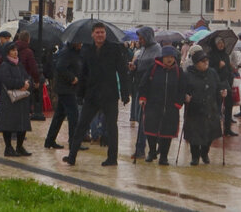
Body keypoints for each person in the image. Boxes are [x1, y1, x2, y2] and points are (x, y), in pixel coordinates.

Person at [64, 23, 131, 167]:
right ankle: (72, 156)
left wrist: (125, 93)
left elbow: (122, 72)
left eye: (102, 32)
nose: (100, 35)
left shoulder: (114, 48)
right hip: (92, 94)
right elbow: (83, 73)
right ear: (92, 34)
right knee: (81, 125)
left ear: (105, 34)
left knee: (112, 127)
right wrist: (80, 94)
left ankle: (112, 158)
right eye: (97, 32)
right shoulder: (87, 50)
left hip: (110, 95)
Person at [139, 46, 186, 164]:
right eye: (167, 57)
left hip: (171, 107)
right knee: (151, 129)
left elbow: (182, 88)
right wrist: (143, 98)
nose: (169, 59)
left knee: (167, 132)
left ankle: (164, 156)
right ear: (162, 57)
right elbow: (144, 84)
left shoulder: (178, 71)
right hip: (153, 104)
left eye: (171, 57)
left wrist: (178, 103)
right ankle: (152, 152)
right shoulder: (153, 68)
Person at [183, 51, 224, 165]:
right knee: (194, 135)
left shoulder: (212, 73)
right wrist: (185, 97)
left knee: (210, 133)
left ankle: (204, 152)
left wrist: (222, 92)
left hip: (210, 108)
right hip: (194, 109)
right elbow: (182, 90)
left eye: (207, 60)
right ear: (196, 63)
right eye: (203, 61)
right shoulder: (188, 74)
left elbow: (219, 86)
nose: (206, 63)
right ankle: (195, 156)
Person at [0, 41, 33, 156]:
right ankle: (8, 147)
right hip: (10, 100)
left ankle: (20, 146)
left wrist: (27, 83)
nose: (15, 52)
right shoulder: (5, 65)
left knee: (22, 124)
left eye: (16, 50)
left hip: (21, 99)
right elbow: (6, 80)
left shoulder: (19, 64)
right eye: (12, 50)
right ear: (7, 52)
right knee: (9, 124)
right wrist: (21, 84)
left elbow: (27, 76)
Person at [129, 26, 161, 161]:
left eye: (142, 38)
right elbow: (140, 68)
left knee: (145, 120)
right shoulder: (142, 50)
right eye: (139, 38)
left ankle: (143, 148)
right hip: (140, 87)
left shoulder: (157, 49)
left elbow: (156, 68)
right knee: (140, 118)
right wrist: (134, 68)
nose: (140, 40)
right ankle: (146, 148)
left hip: (151, 89)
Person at [45, 41, 82, 149]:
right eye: (79, 42)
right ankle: (73, 143)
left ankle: (49, 140)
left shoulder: (75, 53)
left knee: (59, 116)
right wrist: (72, 78)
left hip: (67, 88)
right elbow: (60, 67)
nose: (81, 44)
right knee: (73, 115)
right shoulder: (67, 52)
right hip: (66, 88)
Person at [208, 36, 236, 137]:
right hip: (216, 85)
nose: (221, 45)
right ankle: (215, 129)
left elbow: (229, 69)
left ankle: (227, 129)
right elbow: (209, 70)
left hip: (226, 84)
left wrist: (230, 78)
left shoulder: (225, 55)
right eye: (218, 43)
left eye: (222, 42)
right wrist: (218, 67)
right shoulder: (211, 55)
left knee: (229, 106)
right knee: (216, 108)